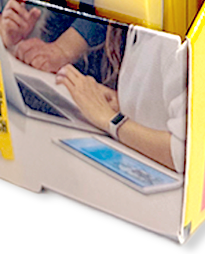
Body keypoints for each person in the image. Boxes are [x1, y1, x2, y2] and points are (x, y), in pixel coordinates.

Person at [55, 24, 188, 174]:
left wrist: (111, 120)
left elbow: (183, 152)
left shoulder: (175, 43)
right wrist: (124, 103)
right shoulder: (141, 28)